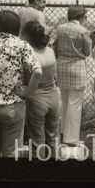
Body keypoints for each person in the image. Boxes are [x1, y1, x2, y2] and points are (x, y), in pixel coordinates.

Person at [0, 10, 42, 158]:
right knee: (11, 152)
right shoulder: (22, 46)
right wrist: (27, 93)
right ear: (17, 27)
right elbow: (37, 72)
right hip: (12, 105)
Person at [53, 7, 93, 148]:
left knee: (64, 102)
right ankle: (72, 138)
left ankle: (63, 133)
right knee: (75, 104)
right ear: (81, 17)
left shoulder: (60, 28)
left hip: (62, 66)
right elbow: (87, 52)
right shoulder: (83, 31)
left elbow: (54, 46)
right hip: (77, 67)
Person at [23, 20, 60, 157]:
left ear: (27, 36)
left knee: (37, 139)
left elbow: (28, 77)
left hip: (36, 98)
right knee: (53, 136)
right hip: (53, 96)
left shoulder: (29, 55)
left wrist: (26, 93)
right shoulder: (50, 51)